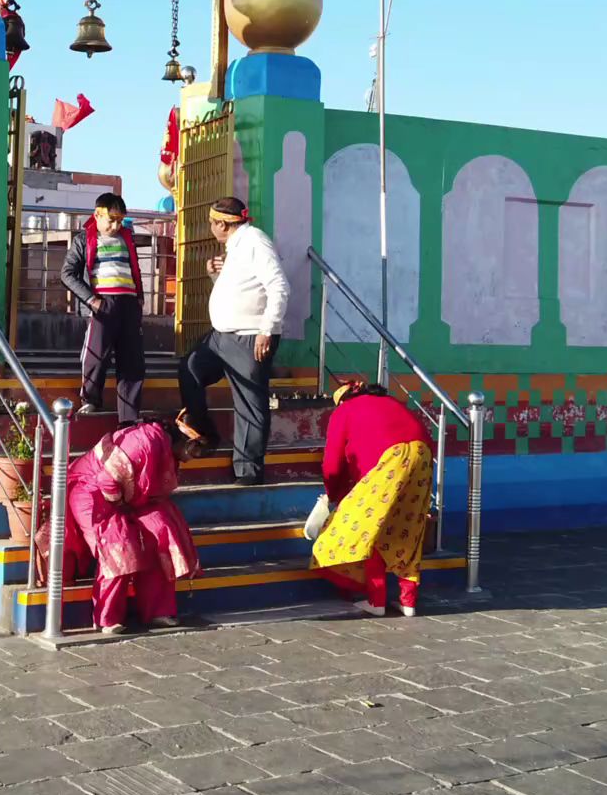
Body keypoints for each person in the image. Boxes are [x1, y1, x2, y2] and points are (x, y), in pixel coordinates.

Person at [177, 197, 288, 485]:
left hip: (250, 335)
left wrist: (268, 328)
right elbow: (240, 289)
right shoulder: (234, 246)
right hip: (221, 336)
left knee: (249, 404)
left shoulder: (255, 242)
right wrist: (216, 274)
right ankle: (205, 431)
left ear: (222, 224)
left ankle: (249, 472)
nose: (211, 227)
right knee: (189, 369)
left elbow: (278, 286)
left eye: (212, 223)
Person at [62, 419, 207, 634]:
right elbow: (107, 480)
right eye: (197, 451)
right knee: (119, 546)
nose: (195, 458)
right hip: (93, 492)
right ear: (188, 441)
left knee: (161, 534)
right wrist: (122, 506)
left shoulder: (165, 448)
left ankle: (158, 611)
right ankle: (106, 618)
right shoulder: (144, 441)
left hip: (130, 499)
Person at [308, 380, 435, 616]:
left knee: (369, 528)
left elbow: (332, 464)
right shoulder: (390, 402)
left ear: (342, 399)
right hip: (423, 456)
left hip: (390, 462)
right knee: (408, 525)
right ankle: (408, 601)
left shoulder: (344, 411)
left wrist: (333, 496)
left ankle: (376, 601)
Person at [61, 192, 146, 423]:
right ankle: (90, 400)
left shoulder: (127, 238)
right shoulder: (85, 239)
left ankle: (129, 417)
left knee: (132, 362)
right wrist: (92, 300)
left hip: (129, 305)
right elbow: (67, 274)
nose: (116, 225)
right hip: (103, 304)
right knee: (96, 356)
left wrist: (140, 298)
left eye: (120, 220)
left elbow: (134, 270)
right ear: (97, 215)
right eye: (112, 220)